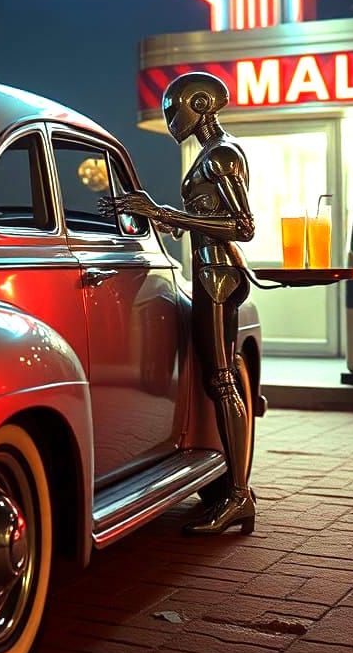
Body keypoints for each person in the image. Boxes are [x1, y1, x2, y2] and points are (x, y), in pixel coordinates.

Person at [99, 71, 256, 535]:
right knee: (221, 379)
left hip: (218, 273)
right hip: (213, 269)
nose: (170, 119)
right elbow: (209, 218)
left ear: (202, 104)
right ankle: (236, 486)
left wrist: (163, 214)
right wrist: (154, 211)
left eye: (174, 108)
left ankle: (238, 495)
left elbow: (242, 225)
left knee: (222, 380)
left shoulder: (220, 155)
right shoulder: (212, 153)